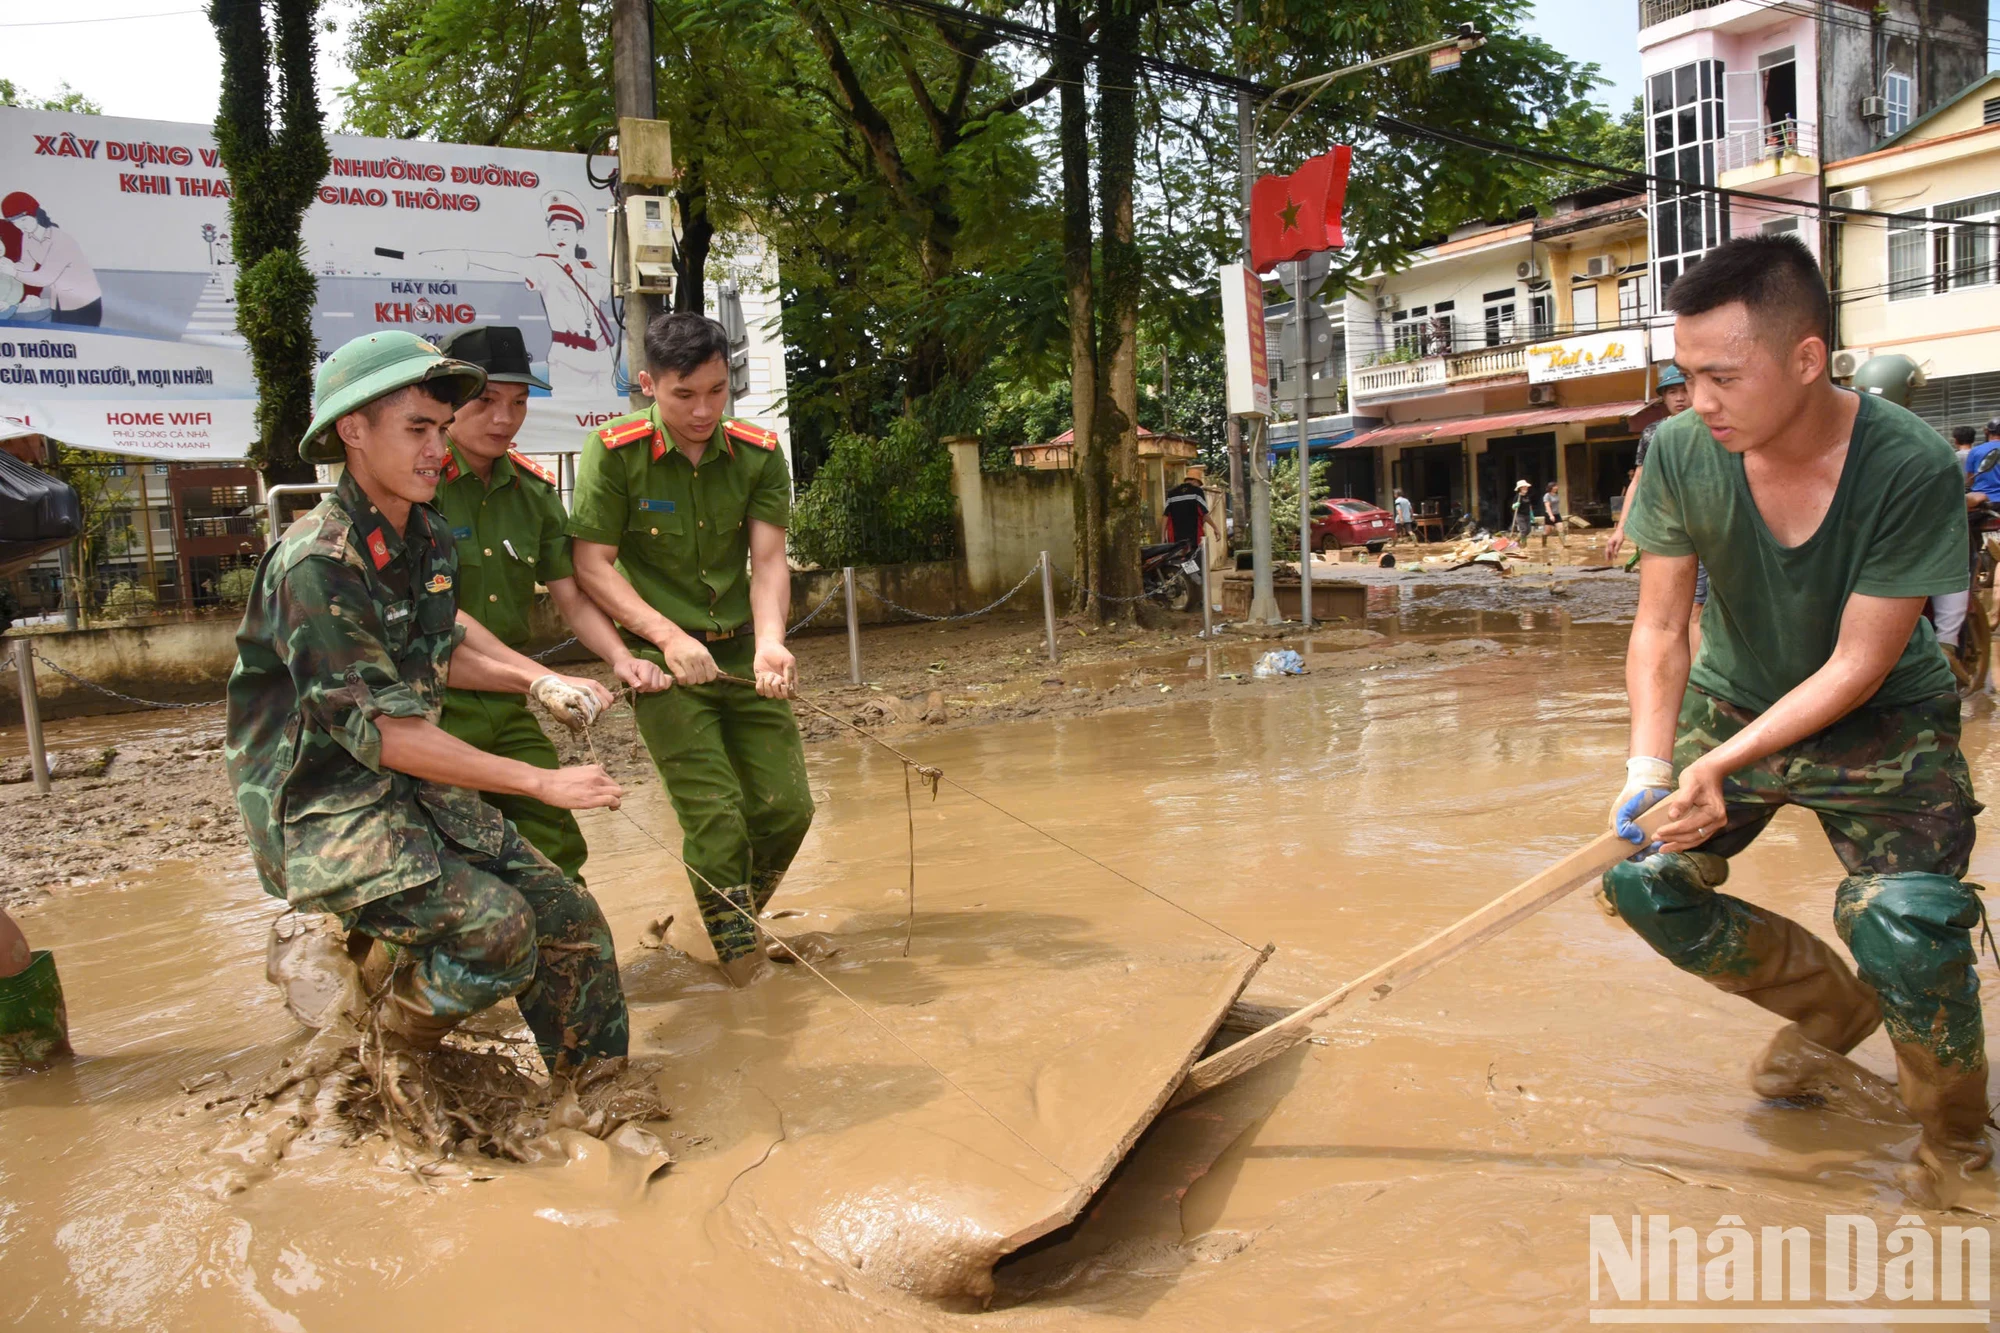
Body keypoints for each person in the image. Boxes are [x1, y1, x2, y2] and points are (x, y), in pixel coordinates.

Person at [1604, 235, 1985, 1207]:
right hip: (1730, 696)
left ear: (1807, 359)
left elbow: (1860, 663)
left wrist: (1718, 764)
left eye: (1722, 376)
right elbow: (1658, 626)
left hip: (1880, 721)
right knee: (1642, 880)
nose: (1699, 400)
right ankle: (1829, 1009)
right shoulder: (1683, 454)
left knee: (1905, 923)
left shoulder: (1906, 464)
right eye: (1684, 374)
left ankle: (1956, 1147)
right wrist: (1650, 766)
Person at [224, 331, 630, 1129]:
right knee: (498, 929)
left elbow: (442, 646)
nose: (437, 449)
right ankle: (372, 1050)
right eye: (418, 429)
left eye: (442, 430)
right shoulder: (316, 561)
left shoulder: (425, 534)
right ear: (353, 431)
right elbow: (383, 730)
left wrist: (535, 677)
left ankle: (601, 1095)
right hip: (321, 806)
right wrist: (545, 782)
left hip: (406, 788)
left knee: (565, 910)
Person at [567, 313, 811, 987]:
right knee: (717, 813)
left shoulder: (759, 452)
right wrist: (667, 636)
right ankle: (740, 965)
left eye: (716, 390)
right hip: (666, 670)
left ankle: (723, 910)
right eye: (684, 395)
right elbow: (592, 562)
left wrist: (770, 643)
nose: (703, 410)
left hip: (743, 657)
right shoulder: (613, 453)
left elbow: (766, 561)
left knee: (789, 807)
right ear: (648, 385)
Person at [430, 325, 670, 884]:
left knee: (556, 845)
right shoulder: (420, 491)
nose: (504, 419)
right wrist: (545, 681)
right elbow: (439, 613)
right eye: (486, 401)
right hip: (429, 705)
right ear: (449, 402)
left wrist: (619, 659)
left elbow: (572, 595)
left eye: (518, 403)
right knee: (439, 859)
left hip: (507, 702)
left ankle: (569, 957)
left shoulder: (533, 495)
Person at [428, 192, 616, 398]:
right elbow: (509, 261)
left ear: (579, 234)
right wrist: (465, 257)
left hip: (601, 355)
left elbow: (618, 291)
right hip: (568, 357)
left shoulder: (593, 271)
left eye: (566, 229)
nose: (559, 235)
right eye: (553, 229)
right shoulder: (544, 266)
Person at [0, 193, 102, 326]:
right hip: (59, 301)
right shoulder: (28, 237)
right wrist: (10, 265)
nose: (20, 226)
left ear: (35, 213)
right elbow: (27, 264)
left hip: (83, 303)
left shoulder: (59, 239)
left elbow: (45, 278)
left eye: (23, 220)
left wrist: (13, 273)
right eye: (14, 222)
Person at [1161, 476, 1220, 547]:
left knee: (1177, 557)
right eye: (1199, 484)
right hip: (1194, 537)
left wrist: (1163, 536)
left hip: (1175, 538)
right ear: (1195, 481)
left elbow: (1165, 516)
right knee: (1194, 557)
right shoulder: (1197, 491)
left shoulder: (1171, 493)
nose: (1199, 486)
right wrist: (1215, 528)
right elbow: (1204, 514)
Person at [1540, 479, 1565, 549]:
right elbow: (1547, 506)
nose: (1557, 487)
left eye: (1557, 486)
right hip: (1549, 515)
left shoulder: (1556, 495)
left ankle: (1564, 543)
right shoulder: (1547, 495)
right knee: (1547, 532)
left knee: (1561, 528)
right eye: (1555, 486)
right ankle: (1544, 543)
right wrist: (1551, 515)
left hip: (1557, 514)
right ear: (1551, 487)